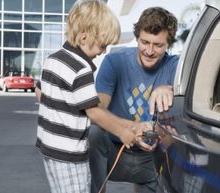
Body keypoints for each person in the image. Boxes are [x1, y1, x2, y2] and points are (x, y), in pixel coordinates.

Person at [35, 1, 152, 193]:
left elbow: (39, 93)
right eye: (102, 45)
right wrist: (122, 132)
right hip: (69, 153)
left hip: (49, 149)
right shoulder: (80, 69)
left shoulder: (52, 59)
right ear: (83, 38)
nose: (103, 51)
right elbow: (94, 112)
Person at [89, 6, 179, 193]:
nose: (149, 51)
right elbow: (97, 110)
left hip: (151, 157)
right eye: (144, 42)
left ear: (168, 44)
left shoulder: (174, 67)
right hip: (114, 151)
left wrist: (170, 88)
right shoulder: (115, 61)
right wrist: (133, 127)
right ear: (137, 37)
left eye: (158, 45)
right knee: (94, 133)